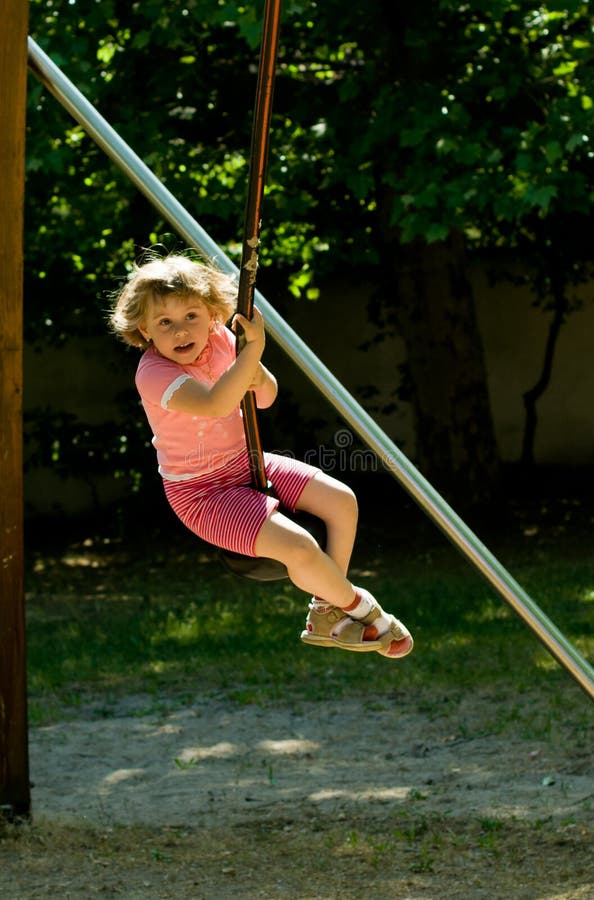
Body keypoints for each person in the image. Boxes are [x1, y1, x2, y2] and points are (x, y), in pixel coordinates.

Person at [109, 252, 413, 659]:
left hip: (247, 460)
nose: (181, 331)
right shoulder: (154, 373)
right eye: (165, 322)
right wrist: (253, 350)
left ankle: (325, 611)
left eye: (192, 316)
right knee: (301, 548)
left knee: (342, 501)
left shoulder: (222, 341)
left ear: (214, 314)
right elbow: (217, 404)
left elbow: (265, 396)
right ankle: (359, 606)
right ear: (144, 329)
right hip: (202, 494)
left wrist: (247, 353)